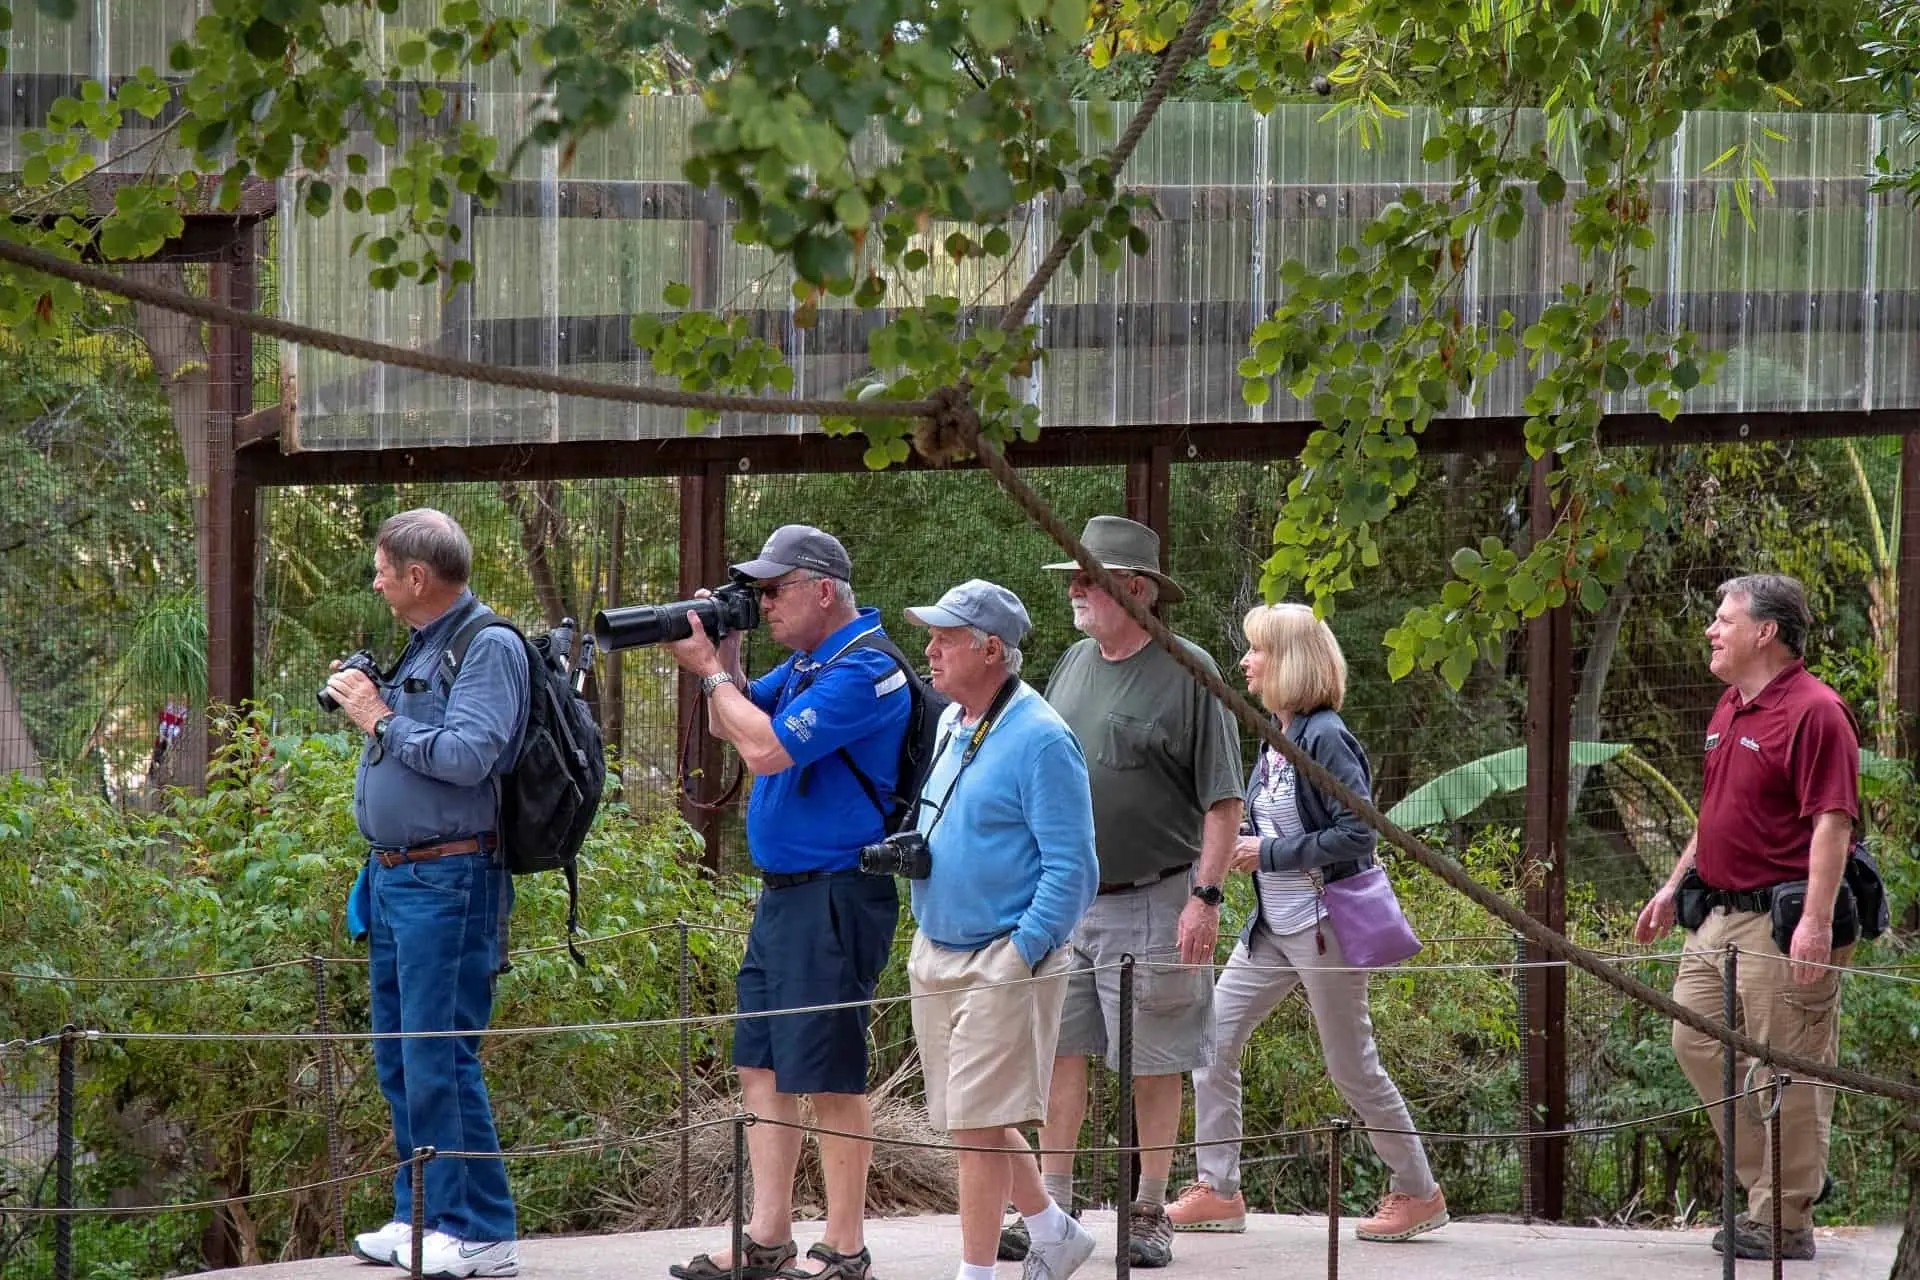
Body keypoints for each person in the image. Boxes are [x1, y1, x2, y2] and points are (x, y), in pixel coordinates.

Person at [663, 524, 908, 1280]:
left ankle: (846, 1247)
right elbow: (726, 719)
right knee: (762, 1068)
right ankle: (768, 1237)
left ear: (823, 590)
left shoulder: (864, 669)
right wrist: (727, 655)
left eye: (774, 590)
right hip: (785, 898)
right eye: (758, 593)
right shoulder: (808, 664)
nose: (763, 602)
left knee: (830, 1073)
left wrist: (709, 669)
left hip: (837, 893)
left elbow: (765, 749)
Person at [1005, 515, 1244, 1270]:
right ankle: (1053, 1209)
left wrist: (1205, 898)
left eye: (1089, 579)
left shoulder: (1190, 669)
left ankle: (1149, 1208)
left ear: (1135, 589)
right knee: (1060, 1051)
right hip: (1068, 899)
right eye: (1074, 578)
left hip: (1158, 898)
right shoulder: (1073, 662)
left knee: (1155, 1059)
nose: (1074, 591)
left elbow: (1223, 801)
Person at [1166, 603, 1447, 1243]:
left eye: (1257, 651)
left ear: (1289, 661)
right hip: (1272, 929)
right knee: (1211, 1040)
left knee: (1352, 1067)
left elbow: (1357, 832)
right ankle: (1219, 1189)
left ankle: (1418, 1191)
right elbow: (1273, 823)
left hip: (1325, 927)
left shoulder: (1325, 737)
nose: (1246, 662)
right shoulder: (1278, 734)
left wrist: (1265, 851)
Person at [1634, 573, 1859, 1263]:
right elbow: (1715, 814)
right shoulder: (1730, 705)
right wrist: (1674, 886)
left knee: (1785, 1069)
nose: (1711, 630)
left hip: (1782, 919)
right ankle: (1778, 1188)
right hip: (1716, 913)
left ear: (1766, 632)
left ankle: (1784, 1219)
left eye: (1723, 620)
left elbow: (1833, 822)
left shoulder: (1817, 711)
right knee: (1694, 1042)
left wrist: (1815, 922)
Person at [332, 509, 530, 1278]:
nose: (375, 582)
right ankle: (422, 1216)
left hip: (449, 880)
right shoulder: (424, 643)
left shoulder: (488, 645)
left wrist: (378, 717)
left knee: (440, 1055)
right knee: (401, 1058)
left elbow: (468, 755)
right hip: (395, 878)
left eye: (383, 570)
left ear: (418, 577)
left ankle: (481, 1229)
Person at [901, 580, 1102, 1280]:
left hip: (1003, 956)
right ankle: (1053, 1231)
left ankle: (976, 1273)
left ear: (991, 650)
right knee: (973, 1117)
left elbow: (1074, 868)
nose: (930, 650)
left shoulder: (1042, 738)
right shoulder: (953, 722)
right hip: (938, 948)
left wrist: (1020, 953)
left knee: (977, 1128)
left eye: (945, 638)